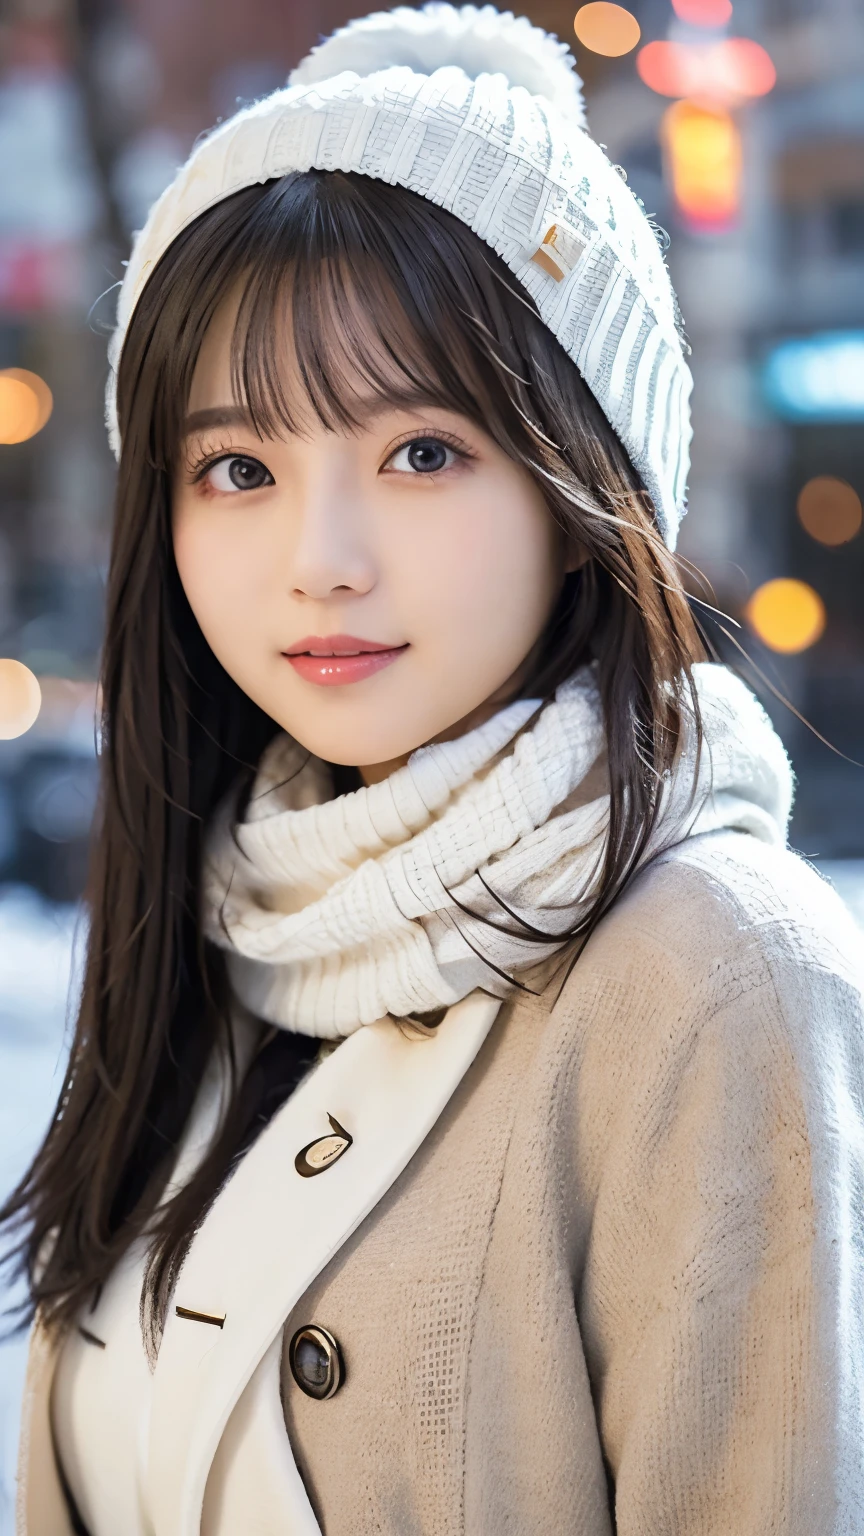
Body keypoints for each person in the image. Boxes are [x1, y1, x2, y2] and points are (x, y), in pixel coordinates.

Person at [5, 5, 863, 1533]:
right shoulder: (222, 910)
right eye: (239, 470)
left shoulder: (712, 970)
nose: (320, 564)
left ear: (582, 479)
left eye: (420, 452)